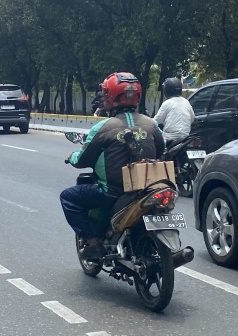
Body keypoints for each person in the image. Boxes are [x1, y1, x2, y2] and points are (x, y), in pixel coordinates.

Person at [60, 72, 165, 259]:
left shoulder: (103, 128)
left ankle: (93, 243)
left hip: (115, 192)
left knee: (68, 197)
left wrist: (72, 157)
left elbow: (83, 159)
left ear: (110, 97)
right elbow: (161, 150)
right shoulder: (152, 124)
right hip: (149, 187)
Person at [154, 77, 194, 146]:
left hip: (170, 139)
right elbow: (192, 119)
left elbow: (155, 122)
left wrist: (147, 122)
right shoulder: (186, 102)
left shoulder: (167, 103)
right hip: (185, 139)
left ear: (167, 90)